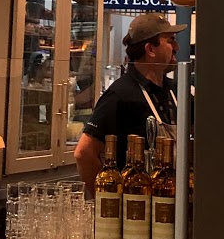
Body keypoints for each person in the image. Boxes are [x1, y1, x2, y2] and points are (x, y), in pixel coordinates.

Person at [74, 13, 182, 190]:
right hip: (136, 202)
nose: (176, 47)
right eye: (170, 40)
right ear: (150, 49)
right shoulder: (120, 95)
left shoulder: (176, 91)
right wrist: (107, 197)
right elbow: (84, 153)